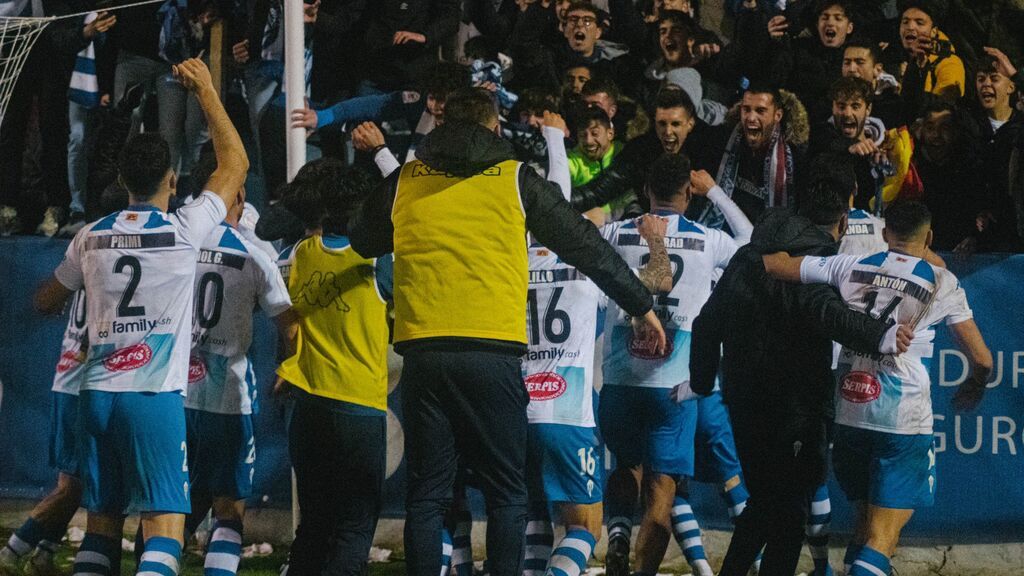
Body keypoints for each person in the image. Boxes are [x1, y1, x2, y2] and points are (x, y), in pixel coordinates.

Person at [348, 86, 663, 576]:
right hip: (492, 351)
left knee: (427, 497)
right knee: (507, 494)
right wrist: (641, 305)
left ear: (444, 125)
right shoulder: (516, 179)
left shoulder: (408, 178)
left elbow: (362, 238)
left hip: (425, 350)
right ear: (496, 128)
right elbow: (583, 244)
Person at [32, 57, 246, 576]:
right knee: (166, 521)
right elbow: (234, 164)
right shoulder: (185, 229)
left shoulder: (91, 235)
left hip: (97, 394)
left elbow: (44, 300)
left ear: (124, 179)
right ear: (172, 180)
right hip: (152, 397)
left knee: (102, 520)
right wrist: (206, 92)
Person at [689, 177, 913, 576]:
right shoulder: (812, 263)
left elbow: (707, 323)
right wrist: (882, 335)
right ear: (844, 221)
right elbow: (826, 315)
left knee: (763, 503)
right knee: (789, 515)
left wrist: (704, 382)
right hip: (794, 407)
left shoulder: (748, 255)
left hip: (743, 400)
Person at [761, 200, 992, 576]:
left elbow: (775, 265)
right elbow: (982, 359)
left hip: (850, 412)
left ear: (884, 235)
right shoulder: (942, 283)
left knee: (866, 527)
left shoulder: (848, 265)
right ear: (930, 237)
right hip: (901, 421)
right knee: (883, 537)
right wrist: (975, 384)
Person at [600, 154, 752, 576]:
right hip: (674, 388)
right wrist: (716, 193)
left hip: (620, 379)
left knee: (626, 465)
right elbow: (753, 239)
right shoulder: (709, 239)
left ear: (647, 191)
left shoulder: (615, 233)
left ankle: (616, 535)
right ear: (687, 193)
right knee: (661, 496)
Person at [271, 159, 392, 576]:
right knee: (354, 528)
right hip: (358, 407)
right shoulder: (377, 262)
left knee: (315, 525)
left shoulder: (303, 253)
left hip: (309, 408)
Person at [182, 154, 296, 576]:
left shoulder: (178, 239)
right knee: (228, 509)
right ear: (240, 194)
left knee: (173, 507)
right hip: (228, 398)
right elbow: (290, 327)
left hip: (176, 393)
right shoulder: (254, 252)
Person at [0, 291, 88, 576]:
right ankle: (11, 552)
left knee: (81, 483)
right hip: (83, 383)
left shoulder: (93, 253)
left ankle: (43, 555)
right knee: (71, 485)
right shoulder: (110, 259)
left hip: (77, 380)